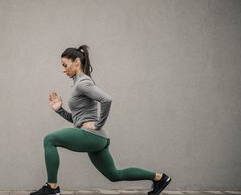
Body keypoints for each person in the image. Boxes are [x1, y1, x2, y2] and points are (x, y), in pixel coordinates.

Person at [30, 45, 171, 195]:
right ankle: (159, 178)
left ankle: (52, 188)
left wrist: (98, 124)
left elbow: (106, 100)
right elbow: (78, 120)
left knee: (49, 140)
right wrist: (59, 110)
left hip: (92, 135)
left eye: (65, 65)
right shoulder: (81, 83)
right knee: (115, 175)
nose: (63, 69)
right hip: (99, 139)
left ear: (76, 62)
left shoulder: (83, 83)